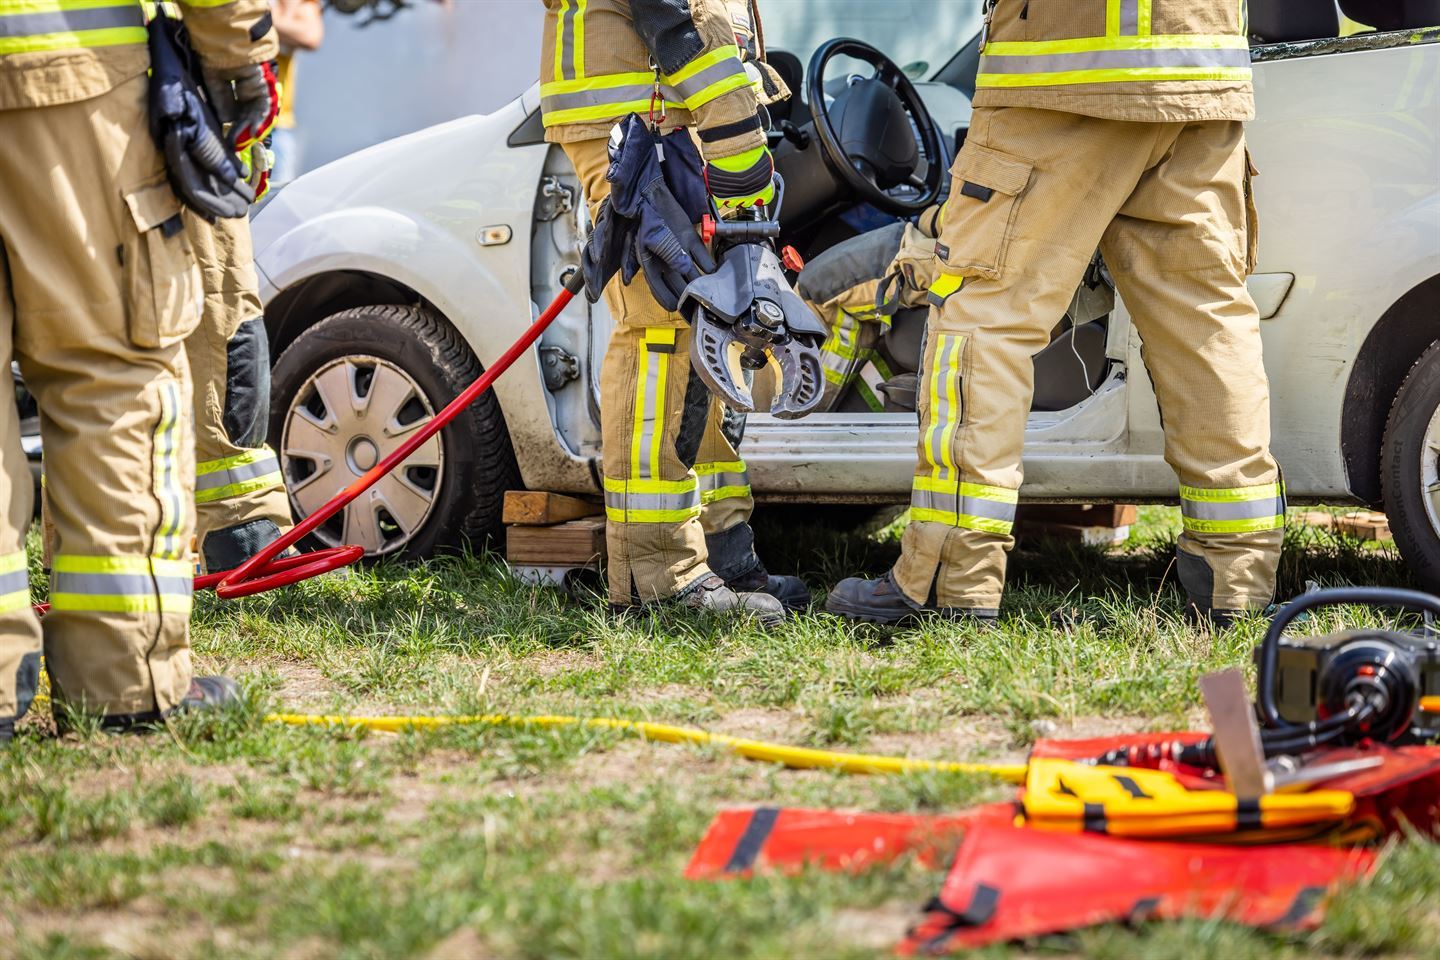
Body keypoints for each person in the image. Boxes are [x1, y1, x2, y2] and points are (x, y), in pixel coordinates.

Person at [828, 0, 1283, 628]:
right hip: (1199, 73)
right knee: (1206, 324)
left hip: (1063, 72)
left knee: (981, 315)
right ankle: (1236, 574)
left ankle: (949, 576)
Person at [0, 0, 278, 742]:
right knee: (110, 374)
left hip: (67, 79)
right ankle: (123, 682)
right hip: (70, 88)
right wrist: (237, 56)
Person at [539, 0, 807, 623]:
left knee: (703, 328)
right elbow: (685, 16)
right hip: (644, 115)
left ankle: (720, 551)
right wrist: (738, 142)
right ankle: (659, 575)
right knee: (657, 334)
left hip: (670, 109)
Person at [268, 0, 324, 183]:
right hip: (224, 118)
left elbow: (309, 34)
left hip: (276, 125)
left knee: (275, 205)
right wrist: (281, 21)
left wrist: (255, 17)